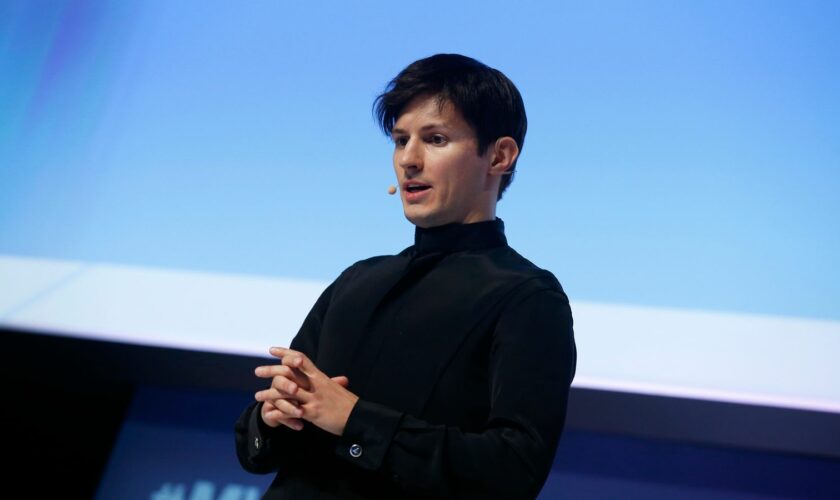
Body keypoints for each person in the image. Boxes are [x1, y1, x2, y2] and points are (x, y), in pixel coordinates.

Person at [235, 53, 576, 499]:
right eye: (400, 140)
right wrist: (274, 415)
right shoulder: (357, 281)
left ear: (500, 155)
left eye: (434, 139)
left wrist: (355, 421)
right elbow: (253, 451)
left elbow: (513, 470)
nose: (408, 160)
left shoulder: (527, 297)